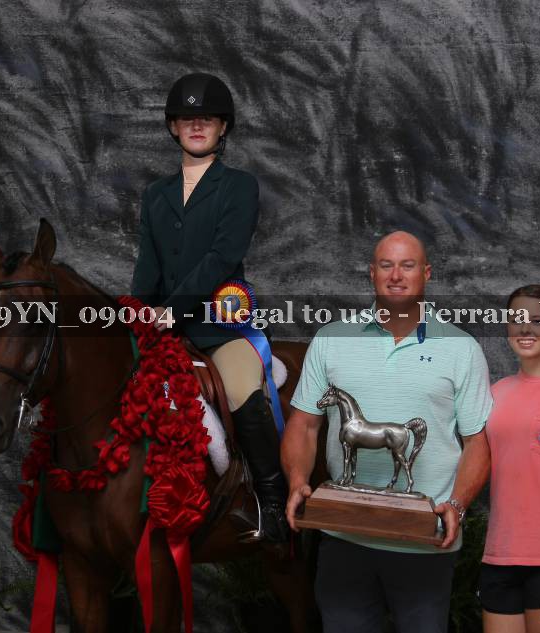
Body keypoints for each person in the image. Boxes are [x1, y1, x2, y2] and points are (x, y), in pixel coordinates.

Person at [282, 231, 493, 633]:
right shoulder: (330, 339)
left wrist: (458, 505)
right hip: (344, 535)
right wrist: (296, 480)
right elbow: (304, 425)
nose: (396, 275)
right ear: (372, 273)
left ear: (426, 273)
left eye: (407, 265)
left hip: (424, 541)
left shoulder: (462, 348)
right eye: (386, 265)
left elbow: (477, 444)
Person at [130, 72, 288, 542]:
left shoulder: (239, 186)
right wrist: (137, 316)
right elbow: (148, 266)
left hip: (221, 327)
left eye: (207, 119)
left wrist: (171, 311)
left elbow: (221, 257)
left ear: (223, 127)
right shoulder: (156, 195)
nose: (196, 125)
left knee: (239, 388)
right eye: (186, 118)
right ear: (173, 127)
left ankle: (272, 505)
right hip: (164, 328)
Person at [480, 285, 540, 633]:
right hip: (499, 553)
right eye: (517, 319)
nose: (525, 328)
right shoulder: (494, 393)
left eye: (537, 320)